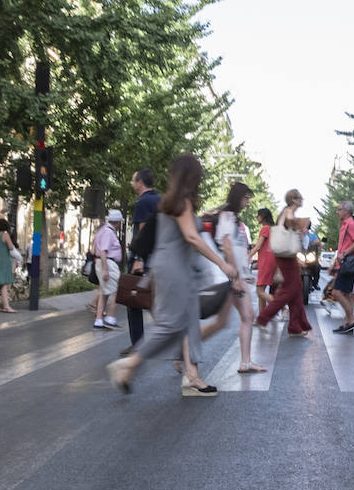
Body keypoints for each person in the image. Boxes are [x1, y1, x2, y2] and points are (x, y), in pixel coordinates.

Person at [105, 154, 241, 397]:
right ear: (191, 177)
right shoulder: (182, 203)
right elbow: (191, 237)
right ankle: (130, 363)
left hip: (178, 268)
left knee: (189, 322)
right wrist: (223, 263)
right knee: (171, 324)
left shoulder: (175, 201)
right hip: (173, 269)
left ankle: (192, 377)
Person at [201, 183, 266, 374]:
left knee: (243, 316)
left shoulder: (234, 219)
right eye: (246, 198)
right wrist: (236, 277)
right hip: (230, 278)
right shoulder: (228, 216)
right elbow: (227, 247)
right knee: (225, 321)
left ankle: (245, 362)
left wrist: (245, 274)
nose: (247, 202)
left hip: (236, 277)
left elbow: (237, 250)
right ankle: (185, 349)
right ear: (238, 197)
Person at [253, 189, 312, 338]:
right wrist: (301, 225)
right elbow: (291, 221)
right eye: (300, 198)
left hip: (287, 255)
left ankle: (296, 326)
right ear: (293, 199)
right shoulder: (288, 211)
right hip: (286, 256)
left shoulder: (285, 212)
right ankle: (263, 318)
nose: (302, 200)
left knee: (297, 290)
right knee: (289, 290)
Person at [120, 168, 160, 358]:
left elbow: (142, 232)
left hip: (145, 260)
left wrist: (138, 259)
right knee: (154, 300)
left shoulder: (143, 202)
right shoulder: (160, 200)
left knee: (134, 299)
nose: (132, 184)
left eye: (133, 181)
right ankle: (173, 338)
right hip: (159, 257)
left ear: (140, 183)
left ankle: (138, 345)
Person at [330, 200, 354, 333]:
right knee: (347, 294)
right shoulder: (345, 224)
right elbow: (343, 245)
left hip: (348, 263)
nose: (337, 212)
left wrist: (344, 254)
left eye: (339, 209)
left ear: (346, 211)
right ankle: (347, 324)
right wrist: (335, 263)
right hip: (344, 263)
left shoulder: (351, 224)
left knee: (336, 292)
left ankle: (352, 319)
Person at [90, 209, 123, 329]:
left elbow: (93, 250)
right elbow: (103, 251)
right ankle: (110, 318)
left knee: (104, 293)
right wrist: (105, 269)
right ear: (118, 222)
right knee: (116, 292)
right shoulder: (109, 232)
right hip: (108, 263)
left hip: (102, 262)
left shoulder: (102, 230)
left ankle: (98, 320)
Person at [251, 207, 276, 313]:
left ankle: (282, 307)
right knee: (262, 291)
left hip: (266, 261)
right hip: (270, 260)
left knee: (259, 291)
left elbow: (258, 247)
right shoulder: (272, 229)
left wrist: (247, 257)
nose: (256, 217)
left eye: (258, 215)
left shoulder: (265, 228)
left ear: (263, 217)